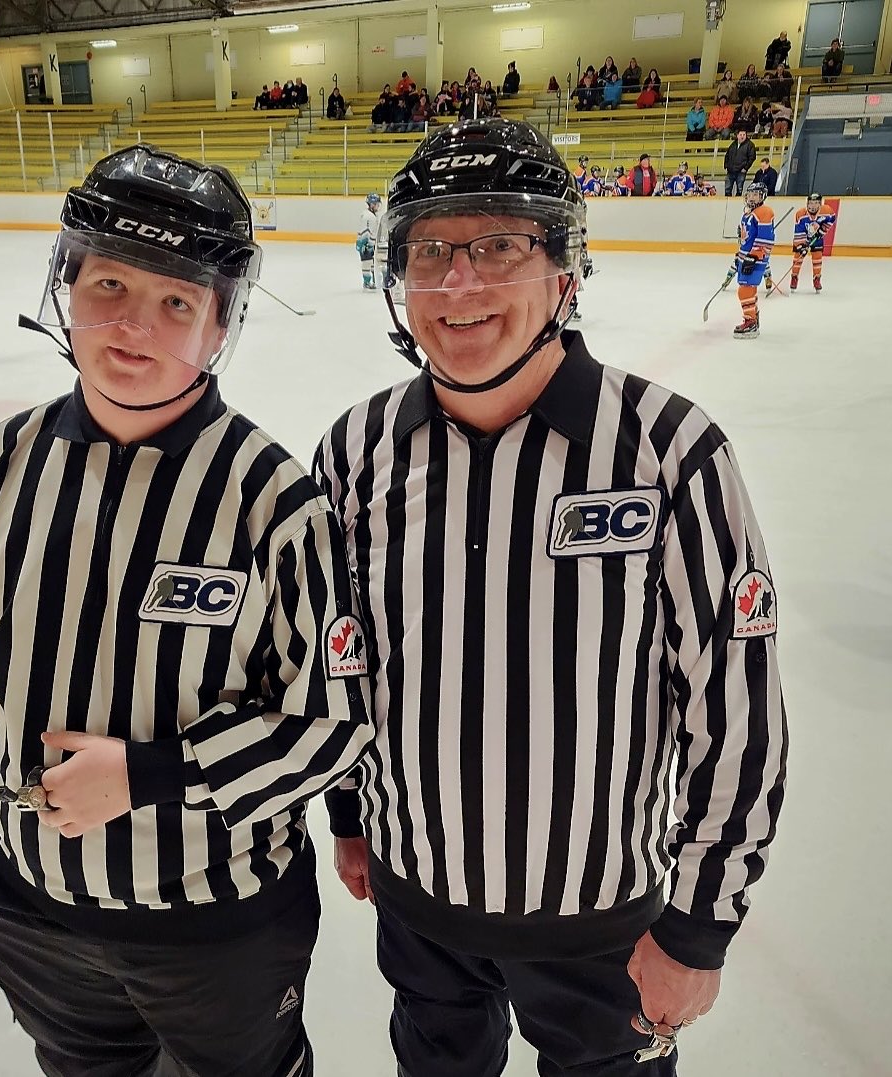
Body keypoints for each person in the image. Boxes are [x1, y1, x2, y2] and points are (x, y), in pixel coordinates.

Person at [315, 117, 788, 1077]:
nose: (461, 282)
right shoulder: (352, 453)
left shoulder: (668, 449)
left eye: (500, 244)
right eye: (431, 249)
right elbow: (347, 660)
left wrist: (698, 927)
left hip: (602, 921)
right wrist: (352, 816)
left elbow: (733, 711)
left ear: (563, 269)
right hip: (419, 906)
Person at [0, 144, 374, 1077]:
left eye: (176, 301)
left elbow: (333, 724)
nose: (133, 326)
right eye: (110, 285)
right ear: (66, 286)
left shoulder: (272, 499)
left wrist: (155, 775)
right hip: (25, 911)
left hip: (218, 929)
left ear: (218, 325)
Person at [733, 180, 775, 337]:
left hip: (755, 258)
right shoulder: (748, 213)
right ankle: (752, 319)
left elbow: (766, 239)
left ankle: (750, 322)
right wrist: (741, 254)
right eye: (750, 194)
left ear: (762, 196)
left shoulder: (764, 211)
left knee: (745, 289)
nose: (752, 197)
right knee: (747, 288)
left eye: (756, 195)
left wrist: (754, 256)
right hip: (747, 256)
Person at [791, 192, 837, 292]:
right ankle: (794, 277)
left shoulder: (826, 211)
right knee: (798, 257)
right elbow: (799, 231)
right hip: (803, 238)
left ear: (820, 204)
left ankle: (817, 279)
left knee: (817, 258)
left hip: (817, 238)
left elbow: (832, 218)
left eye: (816, 203)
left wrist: (822, 231)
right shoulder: (801, 214)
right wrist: (801, 245)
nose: (813, 205)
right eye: (811, 203)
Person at [357, 191, 383, 288]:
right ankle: (367, 282)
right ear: (371, 204)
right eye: (376, 204)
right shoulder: (369, 216)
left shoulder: (369, 215)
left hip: (369, 244)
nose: (378, 206)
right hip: (366, 244)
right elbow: (366, 231)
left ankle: (373, 280)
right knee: (367, 263)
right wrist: (366, 244)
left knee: (371, 263)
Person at [724, 129, 756, 195]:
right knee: (727, 189)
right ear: (737, 135)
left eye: (744, 135)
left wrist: (745, 168)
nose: (742, 136)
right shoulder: (733, 144)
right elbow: (727, 155)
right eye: (741, 135)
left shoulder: (750, 145)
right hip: (730, 170)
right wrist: (726, 165)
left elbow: (752, 157)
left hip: (741, 171)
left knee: (739, 190)